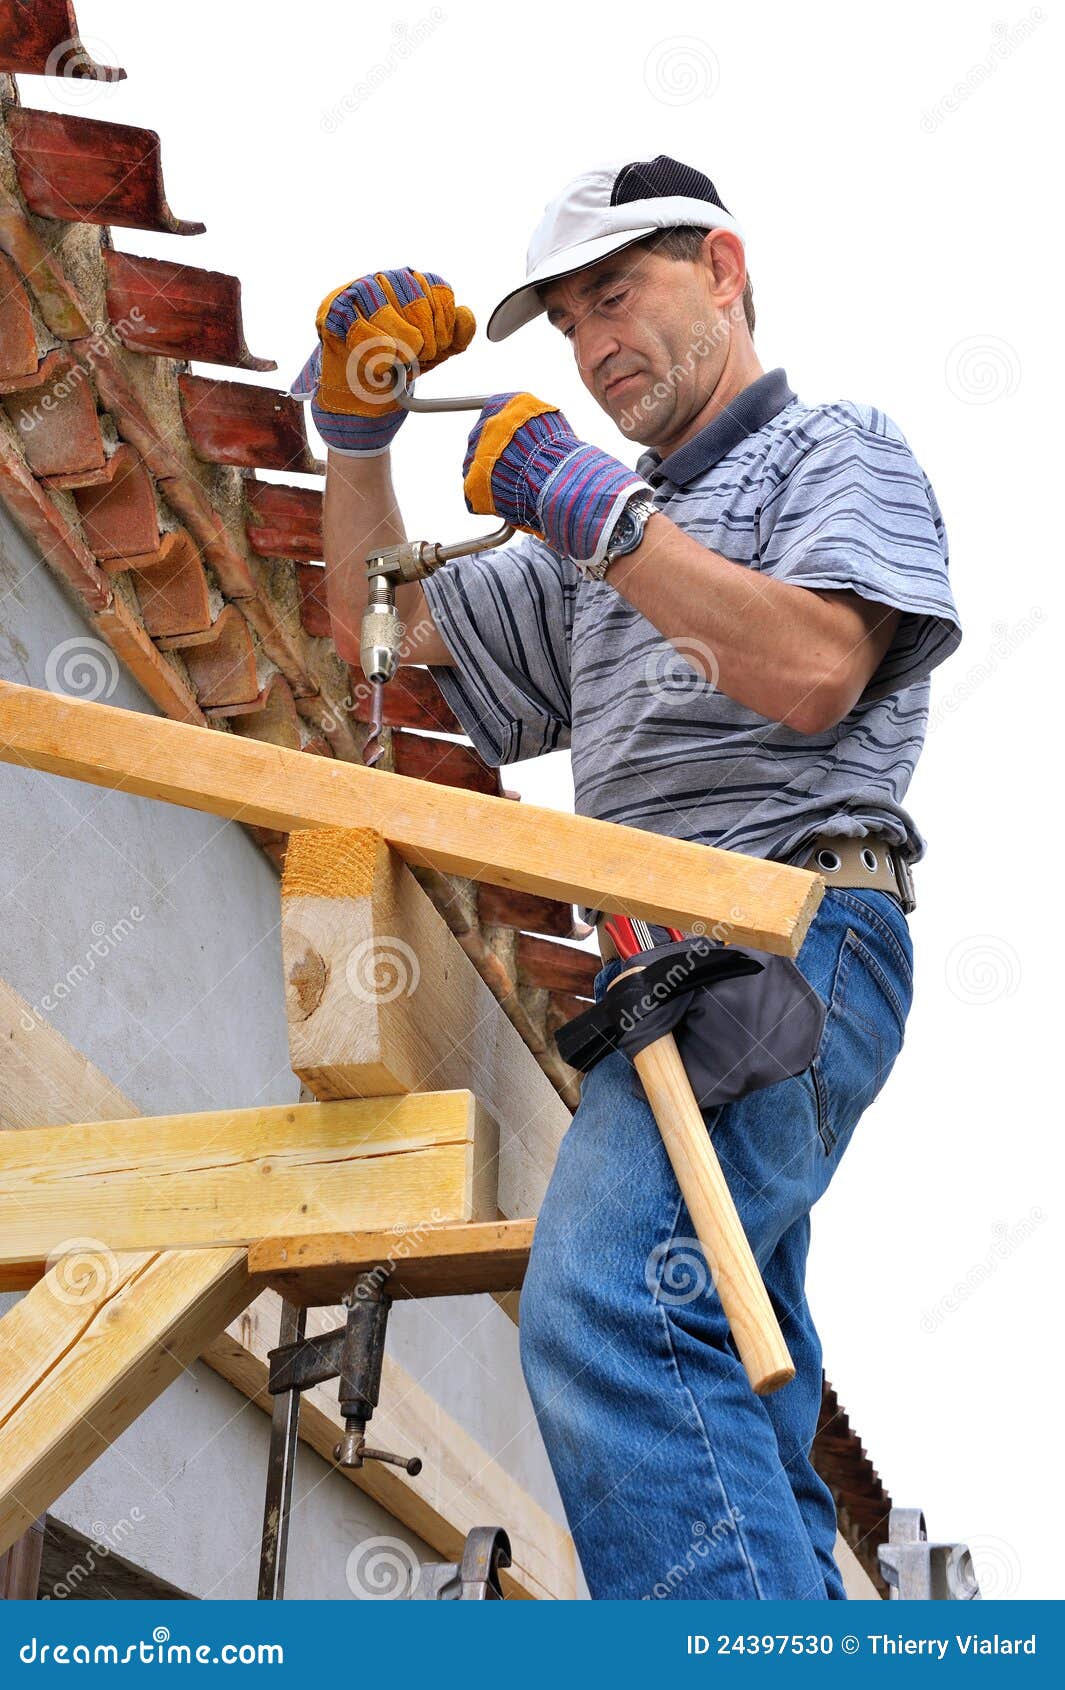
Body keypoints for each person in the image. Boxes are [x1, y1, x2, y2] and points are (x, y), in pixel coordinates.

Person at [292, 154, 962, 1600]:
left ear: (722, 268)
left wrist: (601, 518)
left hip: (783, 933)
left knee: (607, 1305)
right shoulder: (587, 537)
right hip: (666, 971)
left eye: (620, 292)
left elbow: (811, 669)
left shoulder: (831, 450)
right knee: (719, 1351)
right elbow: (383, 639)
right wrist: (356, 443)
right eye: (568, 320)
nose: (595, 346)